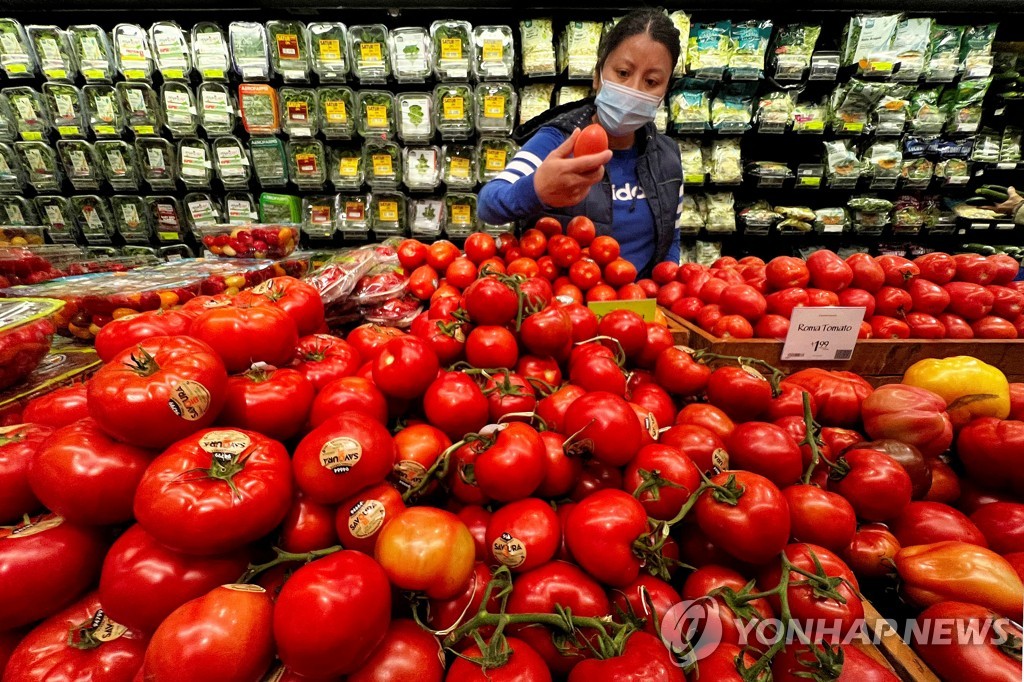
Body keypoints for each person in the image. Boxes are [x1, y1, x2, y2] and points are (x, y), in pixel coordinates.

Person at [477, 9, 683, 278]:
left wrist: (668, 292)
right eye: (622, 72)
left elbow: (671, 240)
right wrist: (536, 188)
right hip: (564, 310)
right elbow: (488, 204)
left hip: (641, 311)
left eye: (651, 81)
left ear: (664, 91)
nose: (634, 89)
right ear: (598, 76)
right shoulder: (556, 141)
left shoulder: (667, 156)